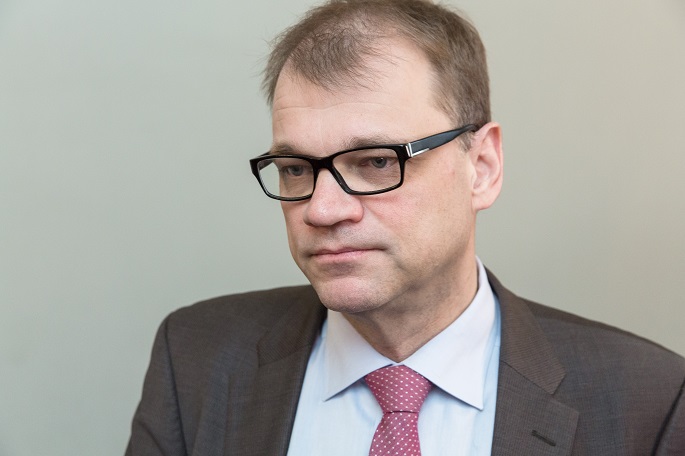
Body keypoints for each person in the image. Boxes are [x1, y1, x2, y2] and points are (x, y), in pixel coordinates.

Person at [126, 0, 685, 454]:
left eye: (375, 162)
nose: (322, 210)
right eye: (296, 169)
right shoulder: (196, 359)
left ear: (482, 167)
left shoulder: (649, 401)